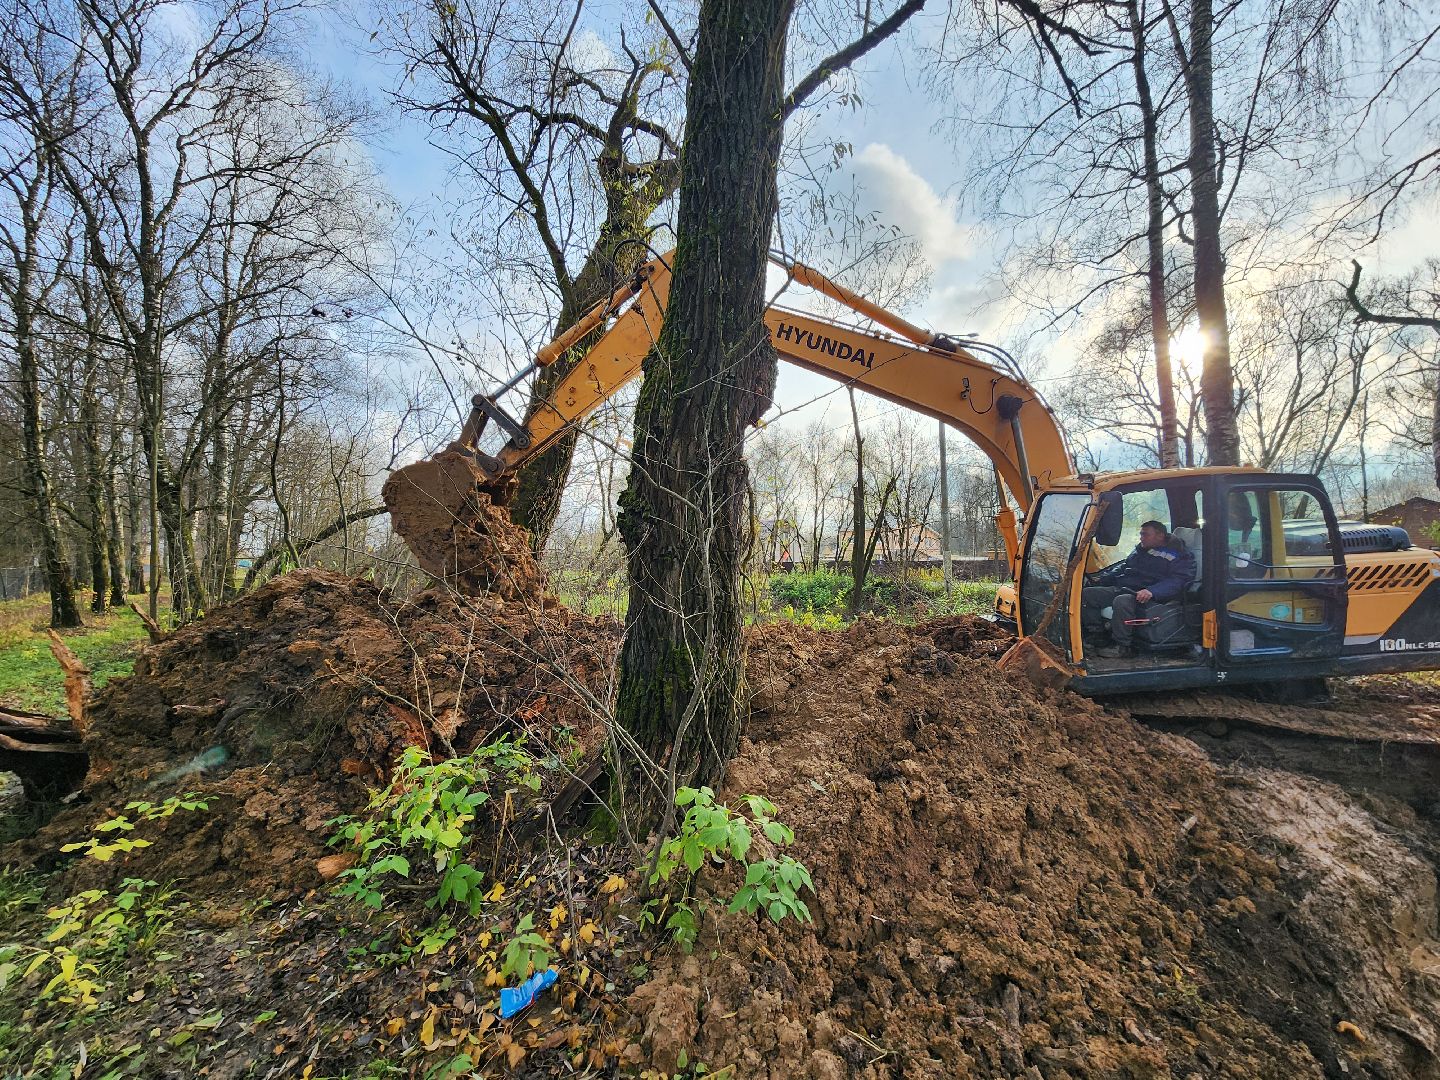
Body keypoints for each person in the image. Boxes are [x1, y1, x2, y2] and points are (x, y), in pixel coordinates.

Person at [1082, 520, 1196, 658]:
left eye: (1145, 534)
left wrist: (1152, 591)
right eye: (1141, 534)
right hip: (1126, 588)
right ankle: (1097, 635)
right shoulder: (1141, 550)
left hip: (1148, 595)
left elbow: (1179, 580)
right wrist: (1102, 579)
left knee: (1122, 601)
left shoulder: (1180, 556)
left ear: (1160, 535)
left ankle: (1122, 646)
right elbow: (1124, 568)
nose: (1141, 537)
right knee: (1087, 594)